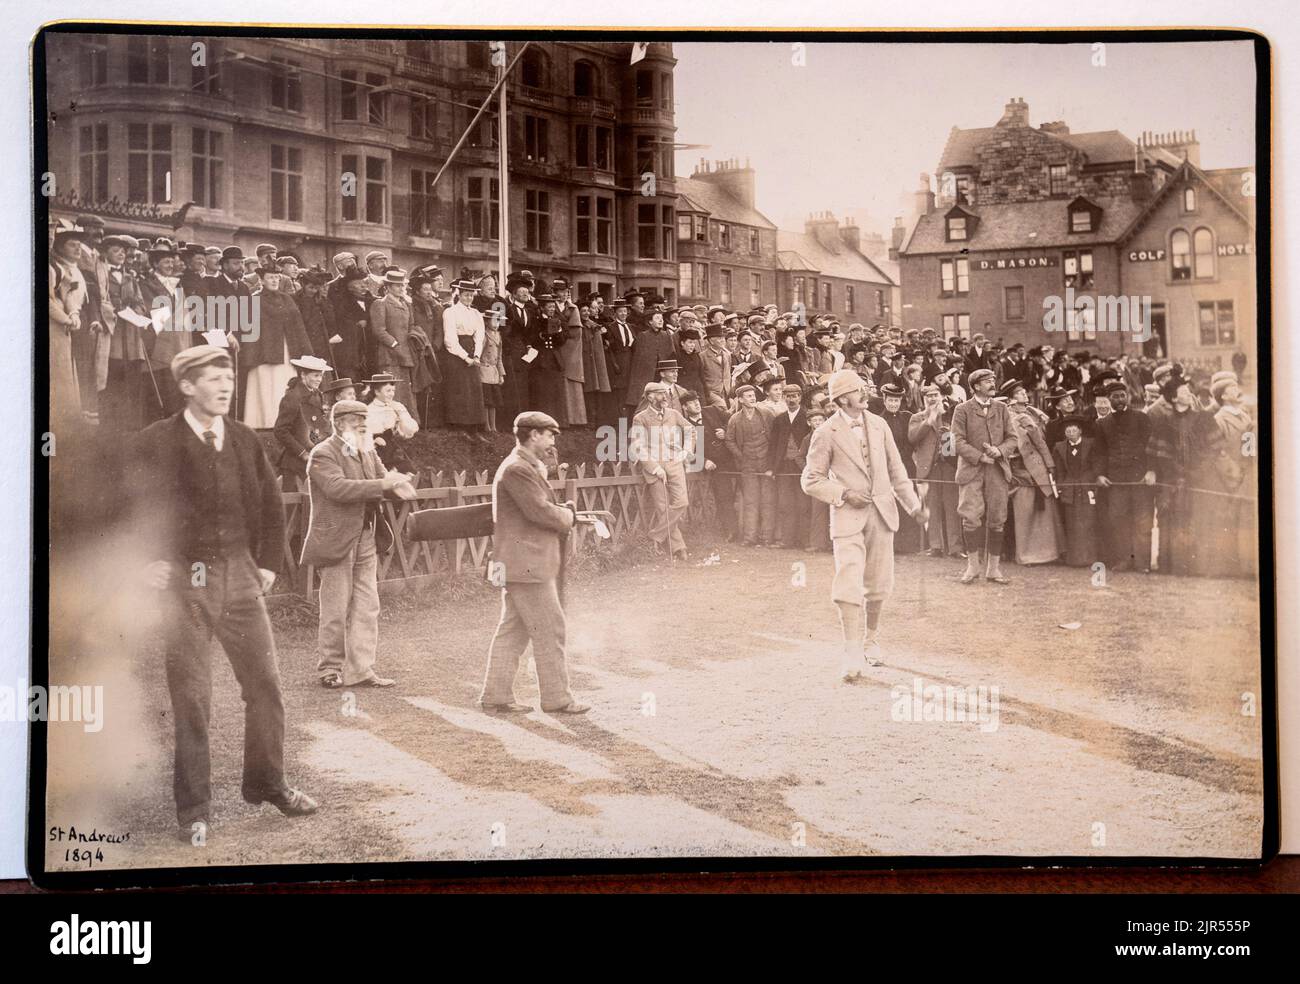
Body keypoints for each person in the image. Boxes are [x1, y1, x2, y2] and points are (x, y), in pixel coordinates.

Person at [127, 345, 317, 844]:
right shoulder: (154, 442)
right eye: (213, 378)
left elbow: (272, 506)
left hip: (241, 580)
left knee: (266, 687)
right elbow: (127, 509)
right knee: (192, 699)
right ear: (187, 386)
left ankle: (268, 784)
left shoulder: (243, 440)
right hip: (185, 589)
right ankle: (194, 809)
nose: (225, 386)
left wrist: (271, 564)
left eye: (228, 377)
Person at [802, 369, 927, 679]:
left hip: (882, 515)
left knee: (878, 583)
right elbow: (810, 480)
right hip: (847, 517)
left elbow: (897, 472)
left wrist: (913, 505)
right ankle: (852, 651)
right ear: (843, 398)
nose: (866, 393)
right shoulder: (825, 432)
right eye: (860, 389)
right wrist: (843, 493)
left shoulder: (880, 424)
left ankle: (871, 639)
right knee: (848, 581)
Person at [479, 412, 591, 715]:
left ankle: (496, 695)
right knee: (551, 628)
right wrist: (569, 516)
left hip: (519, 562)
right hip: (526, 564)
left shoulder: (523, 466)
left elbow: (538, 507)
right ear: (533, 435)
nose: (552, 441)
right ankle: (557, 698)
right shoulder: (517, 469)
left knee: (513, 630)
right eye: (549, 435)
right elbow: (540, 511)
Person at [301, 399, 416, 690]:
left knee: (368, 606)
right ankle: (330, 669)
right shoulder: (322, 453)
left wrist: (398, 485)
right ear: (339, 423)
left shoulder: (368, 451)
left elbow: (382, 479)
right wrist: (385, 485)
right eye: (357, 421)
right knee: (335, 608)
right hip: (337, 539)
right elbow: (338, 488)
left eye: (365, 421)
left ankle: (361, 670)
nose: (364, 426)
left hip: (366, 536)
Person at [952, 369, 1018, 584]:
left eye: (992, 380)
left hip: (997, 471)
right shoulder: (962, 410)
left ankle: (993, 569)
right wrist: (980, 456)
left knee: (998, 518)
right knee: (970, 517)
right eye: (987, 381)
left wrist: (999, 451)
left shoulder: (1002, 408)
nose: (992, 383)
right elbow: (957, 441)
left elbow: (1013, 438)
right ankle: (972, 567)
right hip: (972, 471)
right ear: (976, 386)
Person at [1093, 380, 1156, 573]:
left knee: (1142, 521)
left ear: (1127, 397)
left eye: (1122, 396)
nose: (1119, 400)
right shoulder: (1101, 423)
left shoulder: (1141, 418)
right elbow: (1099, 453)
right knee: (1118, 520)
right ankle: (1123, 560)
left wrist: (1151, 470)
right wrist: (1100, 475)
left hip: (1140, 480)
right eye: (1115, 397)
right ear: (1109, 399)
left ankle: (1142, 562)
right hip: (1115, 482)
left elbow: (1151, 447)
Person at [240, 268, 313, 430]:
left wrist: (307, 352)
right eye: (270, 278)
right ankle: (267, 423)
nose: (274, 281)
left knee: (284, 384)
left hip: (288, 350)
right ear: (262, 280)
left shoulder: (287, 299)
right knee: (267, 386)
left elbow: (298, 325)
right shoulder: (254, 300)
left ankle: (287, 423)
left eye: (276, 278)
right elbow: (248, 330)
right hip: (264, 352)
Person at [629, 381, 693, 560]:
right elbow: (638, 446)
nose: (665, 397)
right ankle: (678, 548)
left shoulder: (674, 414)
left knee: (682, 502)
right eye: (660, 394)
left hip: (674, 464)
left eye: (665, 393)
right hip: (654, 468)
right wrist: (655, 468)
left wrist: (686, 452)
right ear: (649, 397)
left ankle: (656, 535)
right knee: (663, 508)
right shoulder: (640, 418)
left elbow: (690, 430)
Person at [1004, 380, 1064, 565]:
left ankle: (1049, 553)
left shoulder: (1032, 414)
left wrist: (1049, 464)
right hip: (1016, 468)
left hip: (1035, 466)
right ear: (1012, 399)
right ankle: (1027, 554)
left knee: (1044, 509)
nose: (1024, 395)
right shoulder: (1007, 416)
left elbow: (1040, 443)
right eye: (1020, 393)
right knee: (1024, 511)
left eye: (1024, 392)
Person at [909, 384, 963, 558]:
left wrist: (950, 437)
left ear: (941, 396)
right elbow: (913, 437)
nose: (932, 398)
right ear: (924, 399)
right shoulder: (917, 417)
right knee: (932, 508)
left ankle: (955, 548)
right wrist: (930, 419)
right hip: (928, 468)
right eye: (928, 396)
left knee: (952, 507)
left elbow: (954, 446)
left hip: (948, 466)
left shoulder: (949, 416)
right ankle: (935, 547)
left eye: (935, 395)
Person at [49, 225, 89, 432]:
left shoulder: (73, 269)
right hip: (55, 324)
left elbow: (68, 295)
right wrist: (67, 317)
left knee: (69, 371)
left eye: (79, 245)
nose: (77, 249)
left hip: (71, 324)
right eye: (72, 245)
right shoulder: (54, 266)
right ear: (60, 247)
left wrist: (74, 314)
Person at [273, 355, 332, 491]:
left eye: (321, 376)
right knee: (294, 507)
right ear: (303, 375)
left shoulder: (318, 395)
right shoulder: (292, 398)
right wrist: (302, 453)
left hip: (315, 459)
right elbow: (280, 431)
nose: (319, 380)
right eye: (315, 375)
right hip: (295, 463)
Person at [876, 383, 921, 554]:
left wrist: (903, 457)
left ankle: (909, 545)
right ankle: (891, 545)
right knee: (889, 503)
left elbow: (913, 440)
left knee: (908, 501)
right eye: (891, 400)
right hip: (885, 467)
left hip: (907, 466)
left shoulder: (908, 417)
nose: (893, 404)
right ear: (885, 400)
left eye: (896, 401)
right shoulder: (879, 420)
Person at [442, 278, 488, 440]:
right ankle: (459, 426)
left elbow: (480, 335)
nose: (468, 298)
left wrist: (476, 355)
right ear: (458, 294)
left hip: (472, 350)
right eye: (465, 295)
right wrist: (465, 357)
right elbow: (450, 339)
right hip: (456, 354)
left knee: (474, 389)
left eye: (471, 295)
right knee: (460, 389)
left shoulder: (475, 313)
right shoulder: (450, 312)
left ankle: (474, 428)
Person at [369, 268, 418, 420]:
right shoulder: (380, 304)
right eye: (397, 286)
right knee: (390, 390)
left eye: (402, 286)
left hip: (405, 353)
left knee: (404, 390)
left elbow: (411, 326)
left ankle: (407, 423)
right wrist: (395, 344)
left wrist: (413, 338)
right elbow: (379, 331)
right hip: (389, 354)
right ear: (388, 287)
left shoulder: (406, 305)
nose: (401, 289)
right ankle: (391, 424)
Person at [1052, 421, 1102, 567]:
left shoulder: (1090, 444)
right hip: (1069, 489)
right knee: (1072, 522)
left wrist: (1090, 480)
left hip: (1087, 487)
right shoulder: (1059, 447)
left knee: (1088, 522)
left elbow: (1096, 465)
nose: (1071, 432)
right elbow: (1059, 470)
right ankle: (1074, 559)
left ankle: (1090, 558)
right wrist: (1061, 486)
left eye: (1074, 429)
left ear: (1080, 431)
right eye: (1068, 430)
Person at [769, 383, 810, 549]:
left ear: (800, 397)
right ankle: (787, 540)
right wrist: (771, 467)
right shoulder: (779, 419)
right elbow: (773, 445)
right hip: (784, 467)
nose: (791, 400)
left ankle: (805, 541)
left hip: (803, 467)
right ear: (784, 398)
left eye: (794, 396)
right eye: (788, 396)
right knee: (785, 504)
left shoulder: (808, 417)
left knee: (803, 504)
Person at [365, 372, 419, 474]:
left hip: (394, 449)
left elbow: (409, 431)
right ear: (377, 392)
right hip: (377, 450)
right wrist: (375, 440)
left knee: (409, 474)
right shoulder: (369, 410)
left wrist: (400, 414)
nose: (392, 394)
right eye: (388, 391)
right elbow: (365, 434)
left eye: (393, 390)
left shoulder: (397, 406)